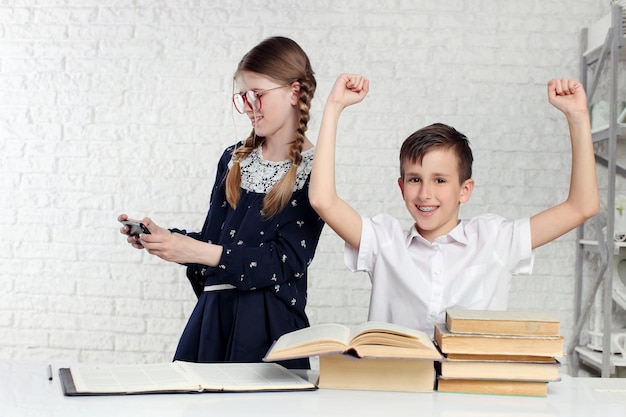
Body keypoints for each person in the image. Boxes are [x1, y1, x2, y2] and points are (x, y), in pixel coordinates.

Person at [309, 74, 599, 337]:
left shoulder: (495, 240)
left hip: (471, 391)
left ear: (465, 190)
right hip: (398, 389)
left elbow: (581, 206)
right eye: (414, 180)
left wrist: (577, 116)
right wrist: (334, 107)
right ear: (401, 187)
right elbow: (323, 200)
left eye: (440, 180)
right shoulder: (384, 242)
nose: (425, 194)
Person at [118, 36, 324, 368]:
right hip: (215, 319)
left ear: (294, 92)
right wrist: (167, 239)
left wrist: (196, 251)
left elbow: (285, 261)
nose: (249, 107)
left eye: (258, 95)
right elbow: (217, 243)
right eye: (243, 97)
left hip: (270, 330)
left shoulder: (314, 171)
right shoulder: (233, 159)